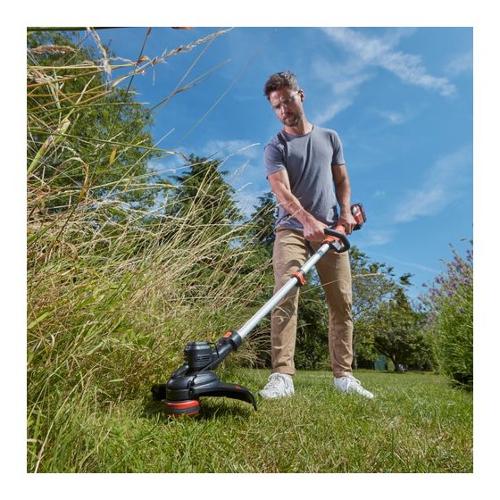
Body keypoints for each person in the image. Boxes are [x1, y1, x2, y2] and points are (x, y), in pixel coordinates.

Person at [259, 71, 373, 400]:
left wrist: (346, 212)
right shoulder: (275, 147)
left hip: (331, 232)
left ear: (301, 95)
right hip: (292, 230)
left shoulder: (330, 138)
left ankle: (344, 377)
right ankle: (282, 376)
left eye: (288, 101)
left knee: (342, 302)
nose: (284, 110)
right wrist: (306, 219)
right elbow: (281, 191)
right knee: (285, 293)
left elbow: (342, 180)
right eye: (277, 106)